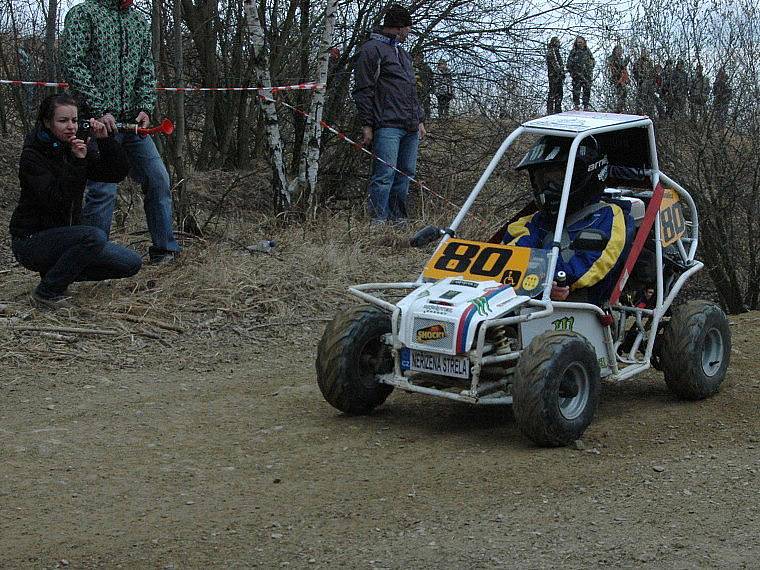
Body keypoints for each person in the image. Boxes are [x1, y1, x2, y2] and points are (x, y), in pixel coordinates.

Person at [60, 0, 180, 263]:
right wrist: (99, 108)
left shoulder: (138, 22)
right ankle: (91, 257)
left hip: (133, 125)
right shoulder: (84, 14)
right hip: (97, 124)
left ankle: (164, 249)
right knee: (103, 190)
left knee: (158, 177)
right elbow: (73, 64)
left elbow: (146, 69)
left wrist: (145, 107)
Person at [9, 94, 142, 309]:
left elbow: (115, 173)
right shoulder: (32, 156)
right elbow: (56, 200)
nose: (71, 127)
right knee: (94, 236)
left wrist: (105, 141)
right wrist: (77, 163)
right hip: (31, 241)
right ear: (46, 122)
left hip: (66, 239)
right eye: (63, 121)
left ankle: (58, 275)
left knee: (130, 263)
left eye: (74, 120)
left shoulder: (75, 146)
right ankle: (47, 292)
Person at [500, 136, 634, 304]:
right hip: (529, 299)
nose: (547, 188)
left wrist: (550, 279)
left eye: (557, 179)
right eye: (542, 179)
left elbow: (588, 267)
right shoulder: (533, 221)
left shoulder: (607, 215)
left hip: (578, 309)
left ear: (586, 175)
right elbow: (510, 255)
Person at [352, 4, 425, 224]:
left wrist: (420, 119)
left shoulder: (403, 54)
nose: (409, 32)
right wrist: (367, 124)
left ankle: (398, 220)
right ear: (400, 27)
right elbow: (363, 89)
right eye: (408, 28)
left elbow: (410, 89)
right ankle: (377, 223)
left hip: (410, 126)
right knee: (384, 175)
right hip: (387, 126)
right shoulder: (371, 49)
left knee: (405, 174)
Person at [566, 36, 595, 111]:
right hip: (577, 76)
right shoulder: (573, 51)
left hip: (587, 76)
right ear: (576, 43)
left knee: (587, 91)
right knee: (576, 91)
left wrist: (590, 67)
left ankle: (586, 106)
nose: (580, 44)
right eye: (578, 42)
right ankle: (576, 105)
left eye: (581, 42)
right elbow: (568, 64)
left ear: (584, 43)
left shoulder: (587, 51)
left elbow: (593, 60)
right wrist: (573, 73)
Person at [632, 49, 656, 117]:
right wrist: (641, 80)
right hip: (641, 84)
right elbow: (635, 73)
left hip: (649, 85)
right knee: (641, 101)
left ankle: (651, 115)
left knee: (650, 101)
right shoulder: (638, 63)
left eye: (646, 53)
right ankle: (640, 115)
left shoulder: (650, 62)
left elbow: (652, 73)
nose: (645, 54)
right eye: (644, 53)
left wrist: (651, 81)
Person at [607, 45, 630, 113]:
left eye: (621, 51)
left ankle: (621, 109)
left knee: (624, 95)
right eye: (618, 50)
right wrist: (627, 59)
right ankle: (618, 110)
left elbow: (624, 69)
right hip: (617, 79)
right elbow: (621, 67)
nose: (620, 52)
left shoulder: (620, 59)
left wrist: (627, 78)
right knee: (620, 95)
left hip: (622, 79)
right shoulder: (613, 59)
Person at [412, 50, 434, 121]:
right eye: (416, 57)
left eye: (419, 57)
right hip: (414, 90)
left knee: (426, 105)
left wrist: (431, 88)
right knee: (415, 106)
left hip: (425, 90)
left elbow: (431, 79)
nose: (417, 59)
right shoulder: (411, 67)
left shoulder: (426, 67)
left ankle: (427, 119)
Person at [546, 37, 564, 114]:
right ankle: (552, 111)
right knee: (554, 93)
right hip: (554, 76)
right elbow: (555, 64)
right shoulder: (552, 51)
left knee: (558, 93)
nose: (559, 43)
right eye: (557, 42)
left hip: (556, 75)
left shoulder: (556, 51)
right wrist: (561, 72)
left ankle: (557, 110)